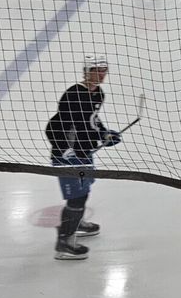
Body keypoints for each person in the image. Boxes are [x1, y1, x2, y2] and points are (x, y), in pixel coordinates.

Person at [44, 55, 123, 260]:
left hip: (84, 154)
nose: (102, 74)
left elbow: (91, 121)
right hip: (68, 157)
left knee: (84, 191)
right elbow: (55, 127)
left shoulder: (98, 94)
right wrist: (64, 151)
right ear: (87, 71)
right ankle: (64, 243)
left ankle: (76, 223)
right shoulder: (73, 95)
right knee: (76, 198)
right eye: (97, 70)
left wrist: (104, 134)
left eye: (104, 69)